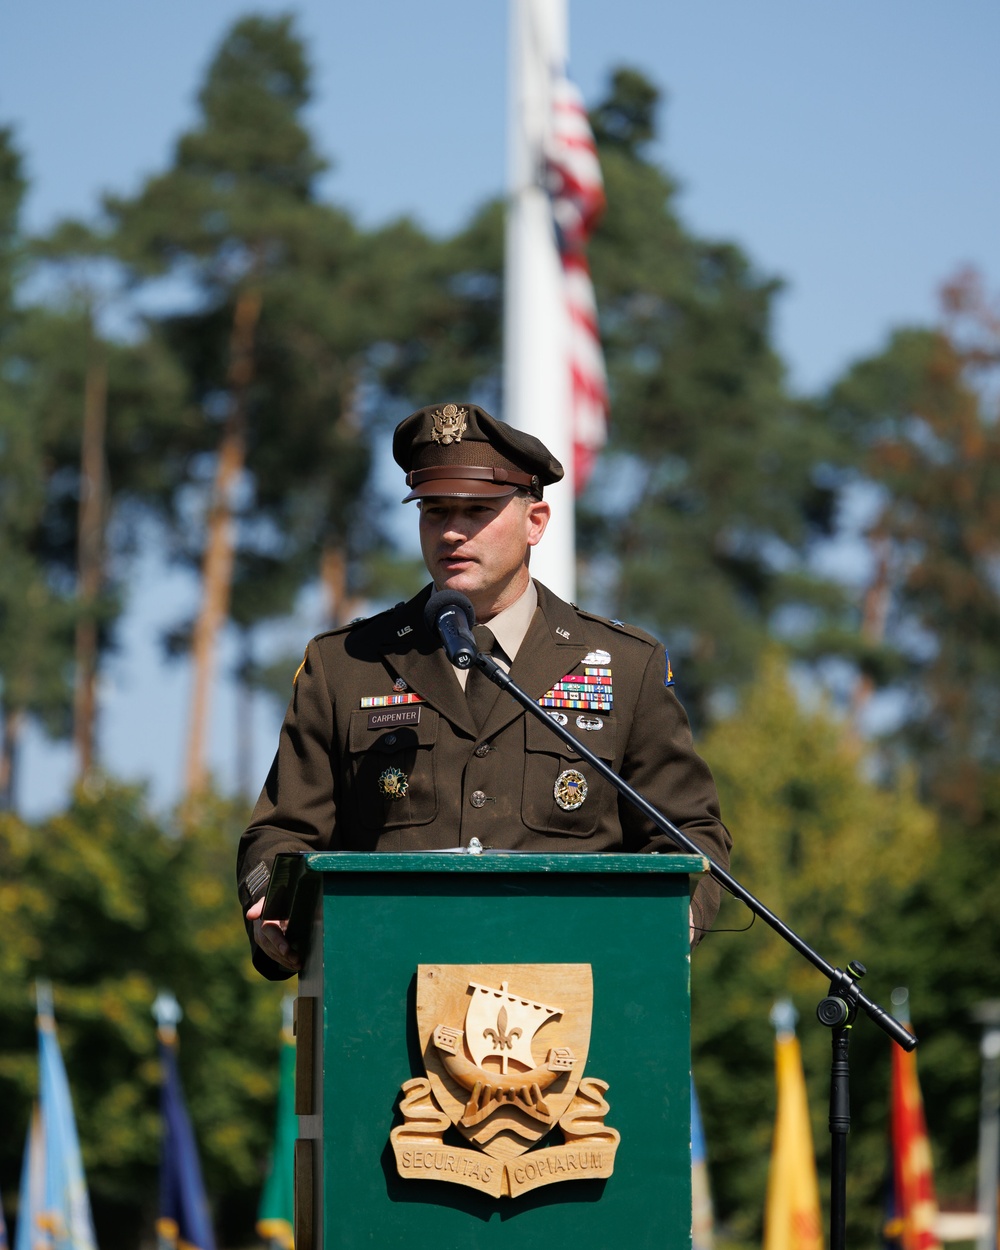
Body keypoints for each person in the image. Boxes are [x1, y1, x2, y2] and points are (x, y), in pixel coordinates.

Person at [238, 402, 731, 979]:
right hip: (384, 995)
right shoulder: (347, 665)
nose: (451, 531)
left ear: (536, 522)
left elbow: (689, 835)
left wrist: (670, 924)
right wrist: (272, 903)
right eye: (434, 510)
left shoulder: (626, 667)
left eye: (476, 511)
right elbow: (281, 830)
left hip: (575, 1006)